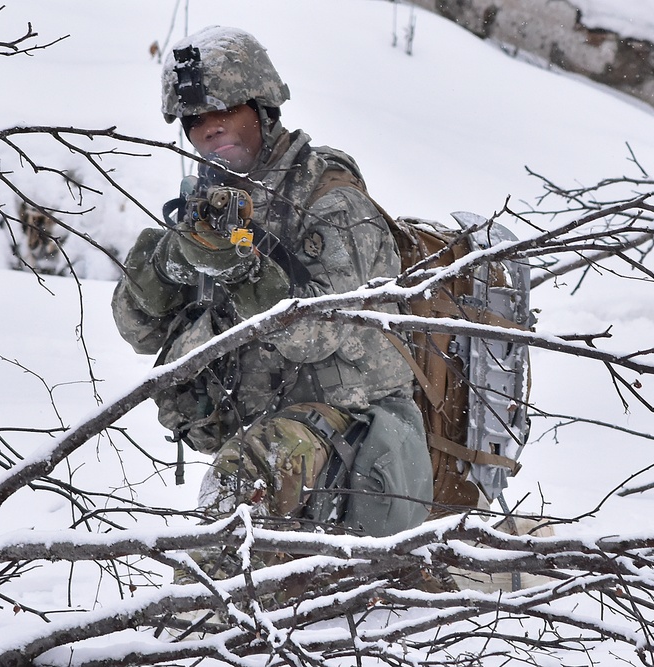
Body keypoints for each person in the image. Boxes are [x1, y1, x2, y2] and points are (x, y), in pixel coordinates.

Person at [112, 26, 432, 575]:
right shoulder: (214, 205)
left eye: (225, 108)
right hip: (277, 440)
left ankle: (195, 633)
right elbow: (138, 332)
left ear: (262, 107)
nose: (209, 126)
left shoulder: (331, 200)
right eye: (193, 118)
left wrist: (241, 271)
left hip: (357, 433)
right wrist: (169, 263)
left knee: (237, 490)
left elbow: (323, 332)